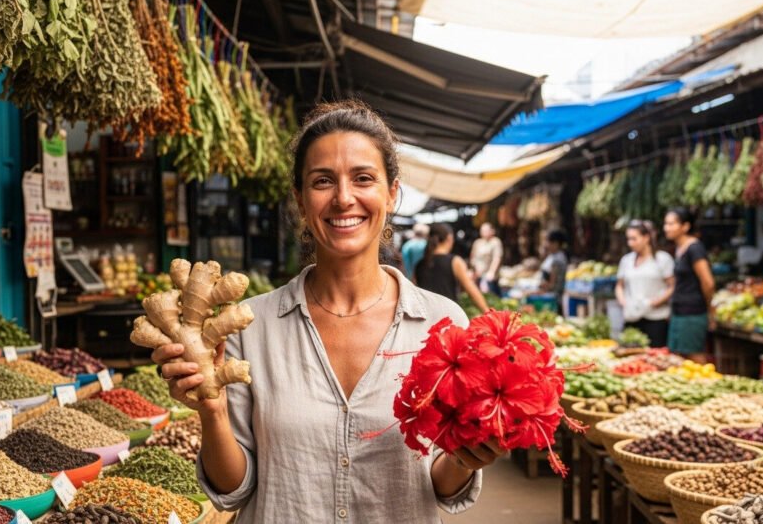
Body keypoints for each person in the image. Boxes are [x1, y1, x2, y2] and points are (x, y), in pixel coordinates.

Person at [155, 101, 499, 522]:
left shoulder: (445, 325)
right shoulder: (249, 326)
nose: (343, 198)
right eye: (322, 181)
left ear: (392, 193)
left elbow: (441, 487)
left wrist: (465, 456)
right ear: (300, 200)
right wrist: (213, 411)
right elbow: (232, 489)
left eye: (363, 178)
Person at [663, 207, 715, 362]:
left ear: (685, 226)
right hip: (679, 311)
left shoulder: (695, 248)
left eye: (671, 224)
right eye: (666, 224)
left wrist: (710, 309)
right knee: (678, 358)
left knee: (694, 356)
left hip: (693, 312)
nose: (667, 228)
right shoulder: (679, 248)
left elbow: (708, 283)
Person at [615, 220, 674, 348]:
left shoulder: (662, 259)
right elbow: (619, 285)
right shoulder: (626, 260)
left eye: (634, 239)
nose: (630, 243)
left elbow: (672, 286)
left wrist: (655, 302)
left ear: (646, 238)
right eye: (628, 239)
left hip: (656, 319)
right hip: (632, 317)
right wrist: (623, 302)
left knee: (655, 355)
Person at [416, 223, 491, 311]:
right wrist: (487, 311)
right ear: (449, 238)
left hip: (427, 315)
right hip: (449, 315)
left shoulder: (419, 264)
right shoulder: (455, 261)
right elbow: (471, 290)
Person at [470, 222, 503, 296]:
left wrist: (492, 272)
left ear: (492, 231)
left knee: (492, 296)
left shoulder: (495, 241)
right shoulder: (477, 242)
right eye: (482, 230)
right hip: (478, 275)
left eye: (486, 230)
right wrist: (473, 271)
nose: (483, 232)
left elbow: (497, 258)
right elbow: (473, 257)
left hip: (489, 277)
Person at [538, 229, 569, 309]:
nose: (546, 244)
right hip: (551, 296)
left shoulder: (557, 260)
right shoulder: (554, 256)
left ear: (556, 243)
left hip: (552, 300)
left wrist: (533, 292)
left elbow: (552, 285)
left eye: (548, 242)